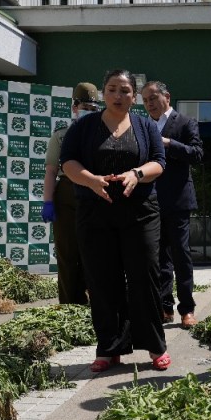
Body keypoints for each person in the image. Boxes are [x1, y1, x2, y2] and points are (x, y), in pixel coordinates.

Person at [59, 70, 168, 372]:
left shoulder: (146, 126)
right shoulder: (84, 127)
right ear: (103, 94)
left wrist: (137, 174)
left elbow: (159, 161)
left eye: (125, 91)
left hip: (141, 213)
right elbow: (67, 161)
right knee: (102, 279)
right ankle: (109, 347)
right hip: (95, 213)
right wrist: (91, 180)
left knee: (144, 275)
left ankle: (155, 346)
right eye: (111, 90)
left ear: (134, 96)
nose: (118, 96)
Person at [141, 81, 204, 329]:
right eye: (145, 100)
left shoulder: (185, 122)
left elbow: (197, 153)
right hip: (150, 201)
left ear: (166, 96)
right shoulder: (143, 125)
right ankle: (164, 307)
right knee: (158, 259)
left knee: (181, 256)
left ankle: (187, 309)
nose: (149, 104)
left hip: (178, 200)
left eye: (153, 98)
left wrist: (169, 143)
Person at [41, 82, 101, 304]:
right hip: (66, 194)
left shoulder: (104, 134)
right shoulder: (61, 135)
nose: (87, 111)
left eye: (93, 108)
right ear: (74, 107)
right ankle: (69, 305)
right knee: (67, 254)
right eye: (84, 106)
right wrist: (48, 202)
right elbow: (51, 171)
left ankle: (96, 304)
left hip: (96, 193)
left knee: (94, 253)